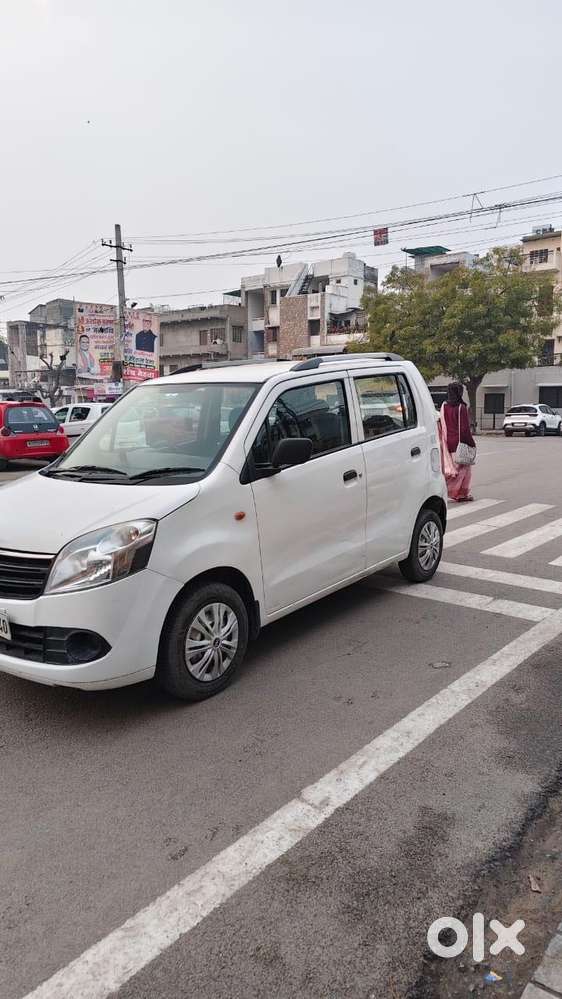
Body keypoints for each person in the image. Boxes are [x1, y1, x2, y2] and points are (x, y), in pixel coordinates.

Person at [439, 382, 476, 502]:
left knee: (453, 469)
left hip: (448, 441)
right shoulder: (461, 407)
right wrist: (471, 443)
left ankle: (455, 493)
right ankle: (459, 494)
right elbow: (464, 429)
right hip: (459, 443)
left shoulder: (444, 406)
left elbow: (442, 424)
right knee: (463, 470)